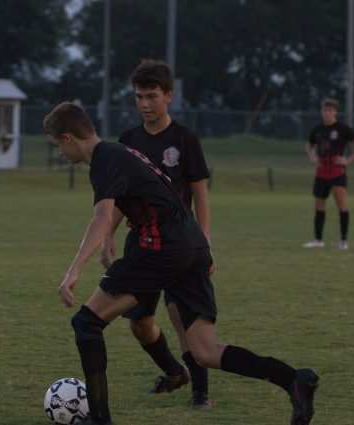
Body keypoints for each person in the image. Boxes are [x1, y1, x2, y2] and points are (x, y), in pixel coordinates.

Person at [44, 101, 318, 425]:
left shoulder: (105, 159)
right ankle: (293, 380)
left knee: (86, 323)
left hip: (162, 247)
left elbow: (103, 216)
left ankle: (101, 421)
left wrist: (73, 271)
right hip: (193, 246)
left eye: (57, 145)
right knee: (204, 350)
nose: (60, 153)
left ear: (67, 138)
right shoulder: (124, 153)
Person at [104, 59, 214, 409]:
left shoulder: (185, 139)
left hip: (180, 243)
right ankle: (173, 372)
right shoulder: (128, 141)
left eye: (151, 96)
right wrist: (107, 234)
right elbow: (121, 198)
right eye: (139, 97)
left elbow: (200, 196)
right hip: (142, 242)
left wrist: (206, 243)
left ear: (169, 95)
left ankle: (201, 392)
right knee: (139, 323)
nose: (145, 104)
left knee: (181, 315)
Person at [303, 98, 354, 250]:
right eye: (324, 111)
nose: (327, 113)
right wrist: (312, 158)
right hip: (321, 171)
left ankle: (344, 242)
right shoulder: (317, 129)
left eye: (330, 111)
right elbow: (309, 145)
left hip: (337, 171)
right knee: (319, 205)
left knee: (341, 205)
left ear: (335, 112)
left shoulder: (342, 128)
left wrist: (348, 161)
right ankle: (318, 240)